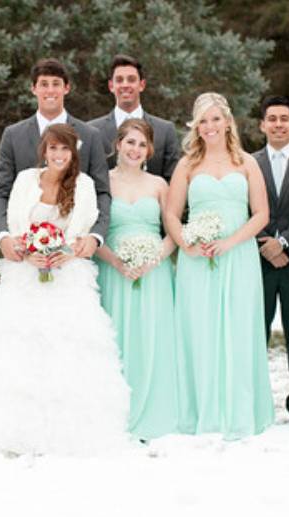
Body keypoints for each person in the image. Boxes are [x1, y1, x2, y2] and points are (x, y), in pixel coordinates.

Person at [0, 124, 130, 456]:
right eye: (53, 148)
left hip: (68, 276)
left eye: (65, 149)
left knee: (65, 349)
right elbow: (15, 222)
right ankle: (7, 427)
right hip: (26, 273)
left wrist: (67, 250)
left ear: (73, 152)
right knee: (17, 347)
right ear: (44, 150)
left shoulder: (85, 185)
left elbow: (85, 227)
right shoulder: (25, 180)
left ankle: (65, 430)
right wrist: (25, 247)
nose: (58, 155)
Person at [164, 92, 274, 440]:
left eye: (215, 119)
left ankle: (238, 410)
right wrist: (186, 244)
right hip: (197, 261)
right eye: (202, 121)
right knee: (200, 330)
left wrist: (230, 242)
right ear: (195, 127)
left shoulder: (246, 162)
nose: (209, 126)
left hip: (238, 257)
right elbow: (171, 212)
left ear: (227, 122)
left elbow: (261, 214)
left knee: (238, 329)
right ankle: (202, 409)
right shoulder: (187, 164)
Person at [95, 119, 179, 439]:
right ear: (118, 145)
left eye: (142, 144)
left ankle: (155, 408)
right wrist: (117, 261)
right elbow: (94, 233)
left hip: (153, 275)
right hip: (113, 272)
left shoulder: (159, 185)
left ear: (150, 150)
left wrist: (153, 260)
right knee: (115, 340)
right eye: (130, 142)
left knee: (152, 339)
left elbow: (173, 233)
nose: (135, 149)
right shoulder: (101, 182)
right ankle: (116, 413)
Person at [0, 58, 110, 263]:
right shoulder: (13, 135)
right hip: (25, 254)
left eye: (56, 84)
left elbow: (102, 192)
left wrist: (95, 236)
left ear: (66, 88)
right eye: (44, 84)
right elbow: (2, 192)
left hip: (72, 252)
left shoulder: (90, 135)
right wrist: (3, 237)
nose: (50, 90)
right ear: (33, 89)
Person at [252, 96, 289, 419]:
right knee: (253, 334)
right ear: (262, 125)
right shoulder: (248, 163)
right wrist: (266, 246)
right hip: (256, 264)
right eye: (271, 119)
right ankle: (255, 403)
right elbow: (244, 211)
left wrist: (284, 244)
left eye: (283, 119)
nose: (277, 124)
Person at [88, 54, 180, 180]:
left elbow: (172, 181)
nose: (125, 85)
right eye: (119, 80)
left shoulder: (165, 131)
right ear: (111, 86)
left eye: (131, 79)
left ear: (142, 85)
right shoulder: (92, 130)